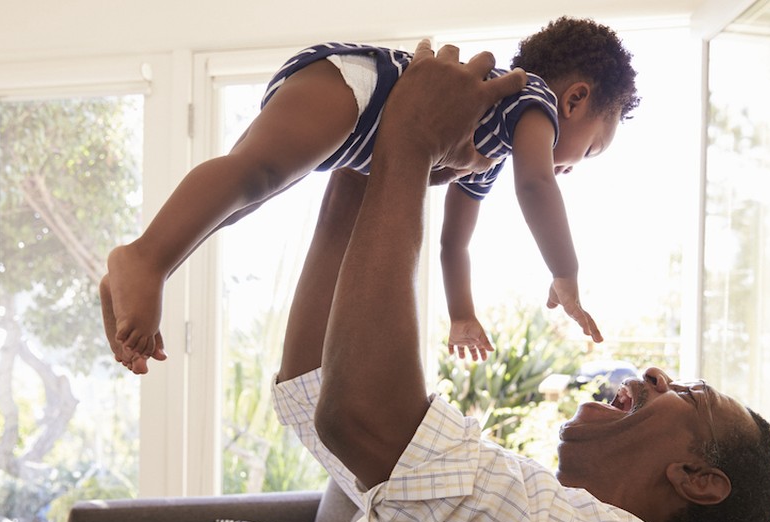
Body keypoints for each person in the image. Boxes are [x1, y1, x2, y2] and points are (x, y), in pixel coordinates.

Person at [215, 40, 770, 522]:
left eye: (691, 395)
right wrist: (370, 154)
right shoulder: (513, 501)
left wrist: (408, 142)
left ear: (699, 481)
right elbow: (313, 387)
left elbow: (362, 419)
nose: (656, 373)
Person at [102, 17, 641, 373]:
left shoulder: (486, 152)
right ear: (574, 99)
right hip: (361, 87)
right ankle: (145, 259)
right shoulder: (533, 98)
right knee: (254, 174)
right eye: (590, 150)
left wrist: (461, 314)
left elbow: (455, 245)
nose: (571, 168)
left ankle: (143, 269)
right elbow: (537, 185)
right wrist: (565, 274)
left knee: (246, 196)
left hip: (354, 132)